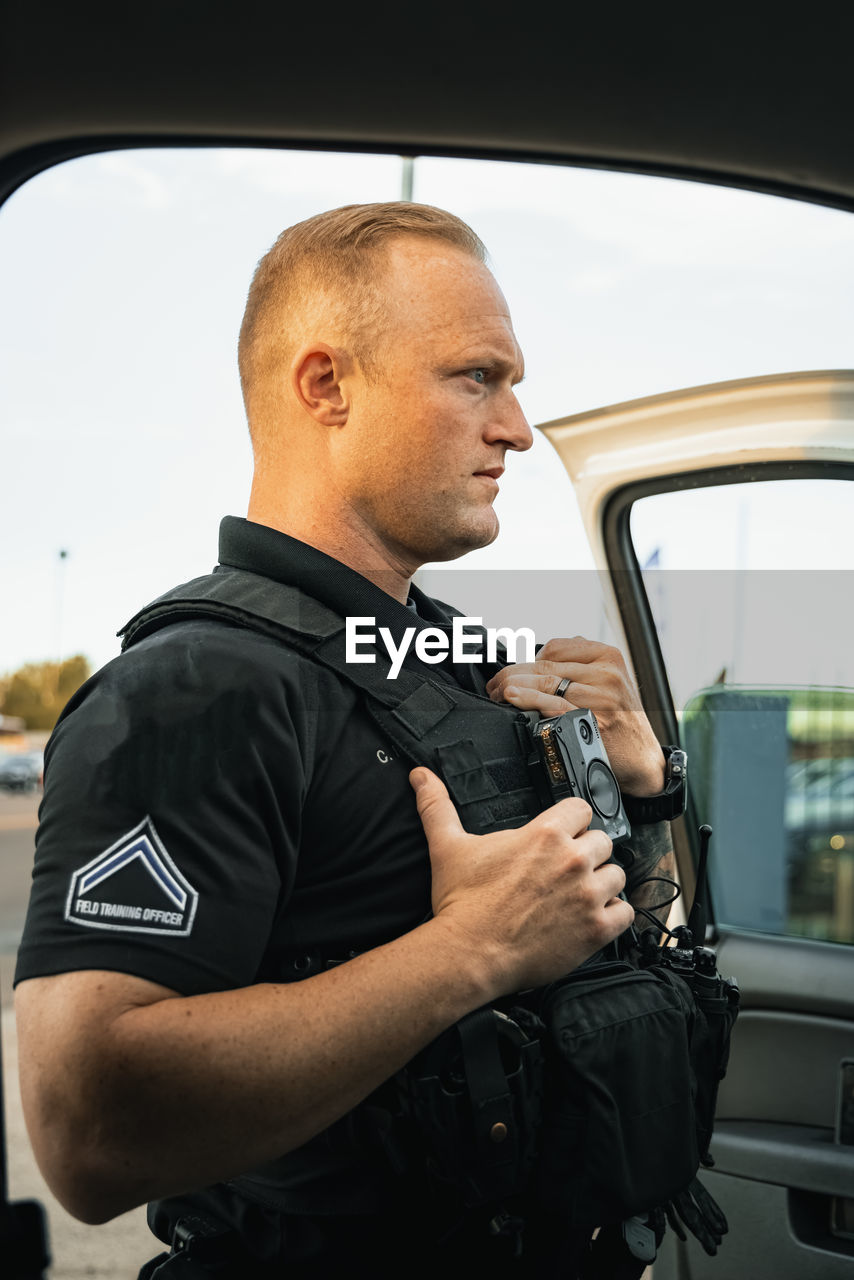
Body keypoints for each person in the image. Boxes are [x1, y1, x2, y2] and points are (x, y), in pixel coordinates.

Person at [14, 203, 676, 1277]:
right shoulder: (193, 689)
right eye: (476, 376)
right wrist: (468, 949)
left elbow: (593, 949)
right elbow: (87, 1127)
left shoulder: (464, 662)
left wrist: (638, 795)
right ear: (326, 385)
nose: (514, 427)